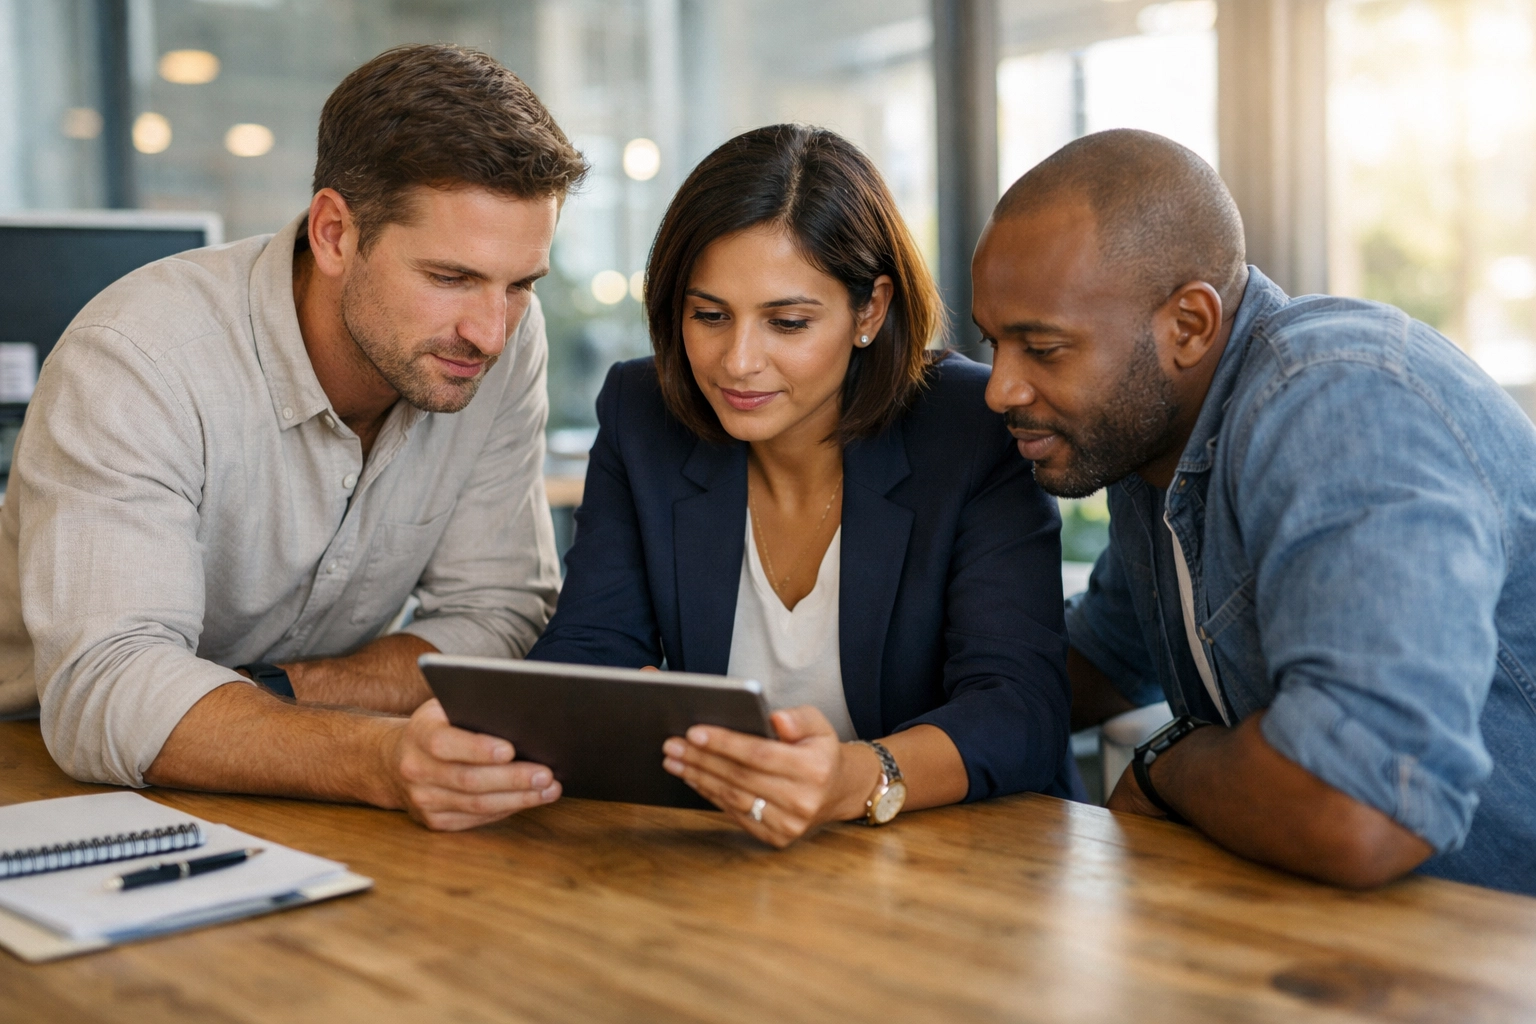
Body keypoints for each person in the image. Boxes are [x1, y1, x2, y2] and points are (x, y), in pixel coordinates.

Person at [0, 44, 587, 831]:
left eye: (520, 284)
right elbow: (109, 687)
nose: (488, 332)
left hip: (290, 759)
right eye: (450, 277)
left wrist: (278, 696)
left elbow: (499, 615)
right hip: (40, 772)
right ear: (336, 233)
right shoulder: (137, 355)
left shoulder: (500, 338)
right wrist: (374, 756)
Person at [973, 128, 1536, 895]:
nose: (999, 388)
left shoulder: (1337, 401)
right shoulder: (1153, 449)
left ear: (1189, 326)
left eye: (1043, 348)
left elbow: (1363, 808)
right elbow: (1101, 657)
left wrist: (1166, 768)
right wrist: (874, 743)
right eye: (993, 343)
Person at [528, 124, 1078, 847]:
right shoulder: (643, 414)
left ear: (870, 311)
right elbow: (586, 656)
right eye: (709, 315)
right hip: (726, 859)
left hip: (964, 862)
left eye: (787, 322)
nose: (738, 362)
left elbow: (1018, 710)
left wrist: (856, 777)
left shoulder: (970, 428)